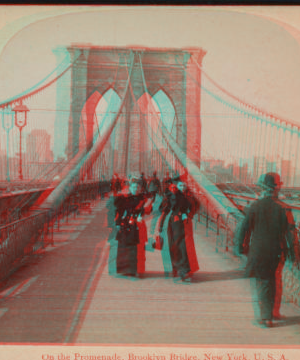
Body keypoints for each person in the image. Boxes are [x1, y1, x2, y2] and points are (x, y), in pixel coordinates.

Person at [234, 172, 299, 328]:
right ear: (274, 190)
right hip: (275, 252)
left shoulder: (253, 207)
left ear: (261, 190)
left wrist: (239, 248)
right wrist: (291, 255)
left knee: (262, 282)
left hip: (257, 252)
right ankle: (271, 314)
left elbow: (242, 230)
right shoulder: (281, 209)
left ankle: (265, 318)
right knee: (270, 281)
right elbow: (288, 235)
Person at [157, 177, 200, 282]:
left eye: (175, 187)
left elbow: (190, 206)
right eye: (172, 187)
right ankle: (175, 269)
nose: (174, 189)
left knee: (180, 246)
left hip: (178, 224)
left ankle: (183, 271)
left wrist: (184, 215)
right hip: (169, 224)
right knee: (171, 246)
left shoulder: (182, 197)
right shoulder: (166, 197)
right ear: (169, 187)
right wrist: (161, 226)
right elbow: (161, 210)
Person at [114, 176, 153, 277]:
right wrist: (118, 223)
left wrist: (142, 212)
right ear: (130, 188)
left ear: (139, 189)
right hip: (126, 224)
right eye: (133, 187)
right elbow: (119, 211)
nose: (135, 189)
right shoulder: (124, 199)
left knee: (136, 248)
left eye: (137, 187)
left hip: (137, 225)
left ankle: (135, 270)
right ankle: (124, 269)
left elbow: (148, 210)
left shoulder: (142, 199)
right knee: (124, 246)